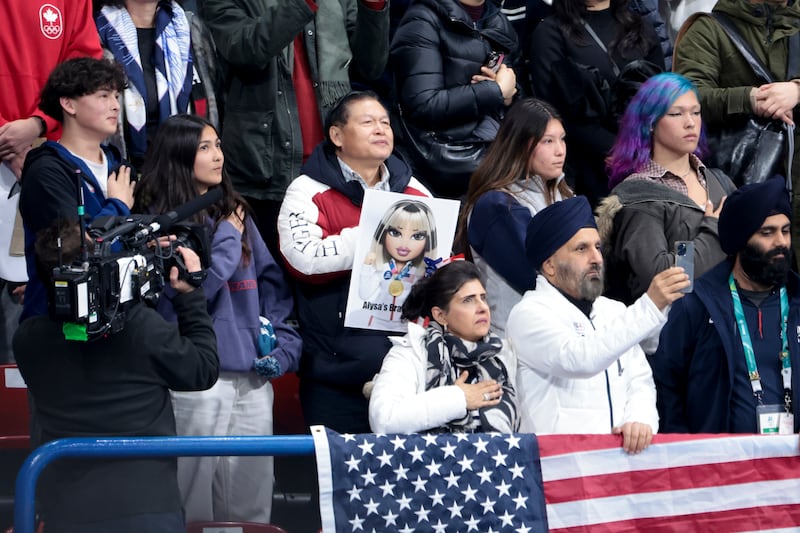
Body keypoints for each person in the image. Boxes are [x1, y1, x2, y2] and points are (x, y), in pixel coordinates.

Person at [134, 114, 301, 523]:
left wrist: (284, 341)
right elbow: (193, 294)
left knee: (252, 502)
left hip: (251, 377)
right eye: (205, 147)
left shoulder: (234, 212)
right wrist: (227, 239)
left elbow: (271, 283)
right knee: (192, 500)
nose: (218, 156)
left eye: (218, 145)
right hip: (194, 382)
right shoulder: (157, 222)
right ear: (178, 156)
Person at [14, 219, 219, 533]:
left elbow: (79, 333)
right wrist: (189, 294)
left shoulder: (28, 340)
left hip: (66, 509)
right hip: (146, 508)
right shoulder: (140, 328)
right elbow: (203, 369)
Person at [277, 91, 431, 433]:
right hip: (336, 373)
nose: (381, 130)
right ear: (336, 136)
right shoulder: (306, 190)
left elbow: (438, 262)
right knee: (337, 480)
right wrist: (376, 232)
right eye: (367, 122)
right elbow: (302, 259)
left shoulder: (415, 191)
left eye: (385, 123)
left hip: (406, 368)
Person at [199, 0, 390, 262]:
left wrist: (374, 7)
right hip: (265, 171)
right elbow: (244, 49)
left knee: (336, 279)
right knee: (274, 288)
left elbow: (371, 65)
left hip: (334, 166)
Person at [506, 196, 689, 453]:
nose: (596, 258)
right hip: (560, 468)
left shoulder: (613, 310)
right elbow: (580, 359)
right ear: (549, 265)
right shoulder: (528, 314)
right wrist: (649, 306)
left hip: (619, 463)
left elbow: (639, 379)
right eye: (581, 249)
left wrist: (639, 419)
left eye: (598, 247)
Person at [652, 177, 800, 434]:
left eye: (785, 231)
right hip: (720, 466)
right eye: (767, 233)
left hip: (791, 468)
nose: (781, 242)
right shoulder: (697, 304)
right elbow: (667, 385)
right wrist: (687, 454)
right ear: (741, 241)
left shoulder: (797, 299)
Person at [0, 0, 102, 360]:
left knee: (27, 307)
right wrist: (9, 140)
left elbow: (84, 65)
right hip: (25, 157)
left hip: (41, 163)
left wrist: (39, 123)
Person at [672, 0, 800, 258]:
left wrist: (797, 90)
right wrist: (750, 99)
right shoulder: (708, 28)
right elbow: (686, 99)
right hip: (737, 187)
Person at [598, 72, 735, 305]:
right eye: (676, 113)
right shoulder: (639, 197)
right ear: (650, 122)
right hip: (674, 331)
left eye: (695, 112)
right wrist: (713, 232)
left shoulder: (718, 180)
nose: (690, 122)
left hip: (732, 319)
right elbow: (662, 276)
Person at [19, 57, 136, 321]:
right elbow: (78, 253)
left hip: (116, 317)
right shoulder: (46, 172)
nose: (115, 106)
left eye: (116, 96)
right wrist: (118, 205)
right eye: (104, 95)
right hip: (62, 328)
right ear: (68, 103)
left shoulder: (117, 164)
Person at [528, 0, 663, 208]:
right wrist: (619, 149)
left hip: (649, 159)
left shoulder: (641, 28)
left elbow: (663, 95)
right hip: (586, 168)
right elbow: (554, 109)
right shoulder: (550, 33)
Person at [456, 98, 573, 336]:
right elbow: (535, 276)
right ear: (520, 145)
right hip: (513, 337)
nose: (560, 150)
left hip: (561, 327)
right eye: (547, 141)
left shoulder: (564, 193)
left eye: (562, 139)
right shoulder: (498, 205)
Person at [369, 260, 518, 433]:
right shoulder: (409, 353)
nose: (482, 307)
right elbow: (383, 420)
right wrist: (459, 398)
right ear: (440, 315)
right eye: (468, 300)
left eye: (483, 297)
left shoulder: (505, 353)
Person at [390, 0, 518, 198]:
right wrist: (495, 91)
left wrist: (508, 95)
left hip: (496, 156)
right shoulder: (423, 19)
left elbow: (516, 90)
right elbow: (423, 104)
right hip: (446, 161)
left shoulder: (497, 20)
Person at [94, 0, 223, 171]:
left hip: (185, 173)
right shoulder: (95, 32)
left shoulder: (188, 27)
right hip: (119, 174)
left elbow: (214, 100)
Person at [357, 199, 437, 330]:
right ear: (382, 234)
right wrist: (366, 267)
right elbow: (364, 294)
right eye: (395, 233)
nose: (404, 243)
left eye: (417, 236)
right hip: (376, 322)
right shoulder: (382, 267)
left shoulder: (423, 272)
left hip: (408, 325)